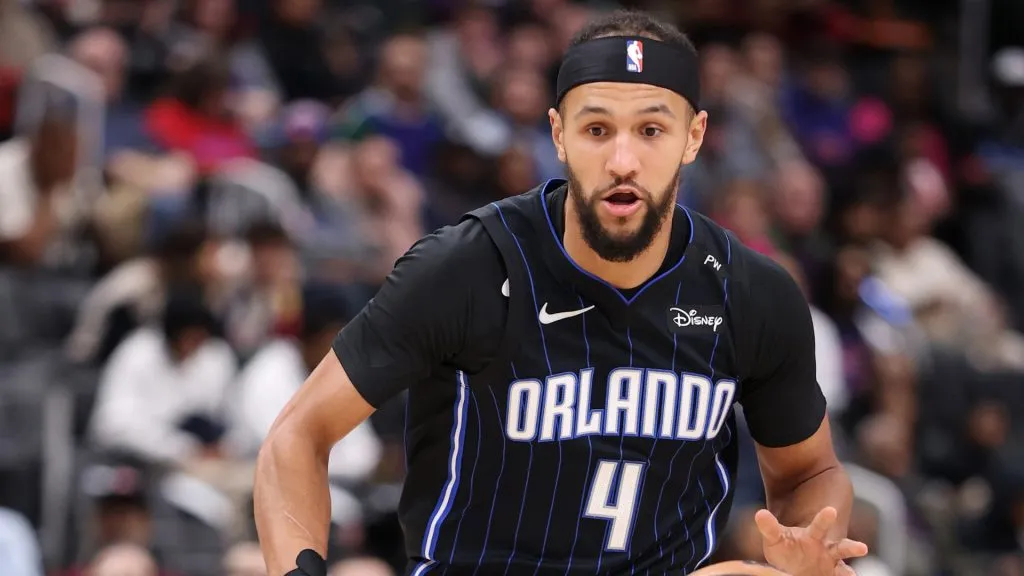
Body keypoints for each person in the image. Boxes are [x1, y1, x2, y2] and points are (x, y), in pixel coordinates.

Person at [254, 9, 867, 576]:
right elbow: (299, 436)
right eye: (597, 128)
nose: (622, 159)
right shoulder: (466, 267)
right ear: (558, 134)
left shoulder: (751, 293)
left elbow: (808, 471)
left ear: (694, 136)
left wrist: (810, 542)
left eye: (651, 129)